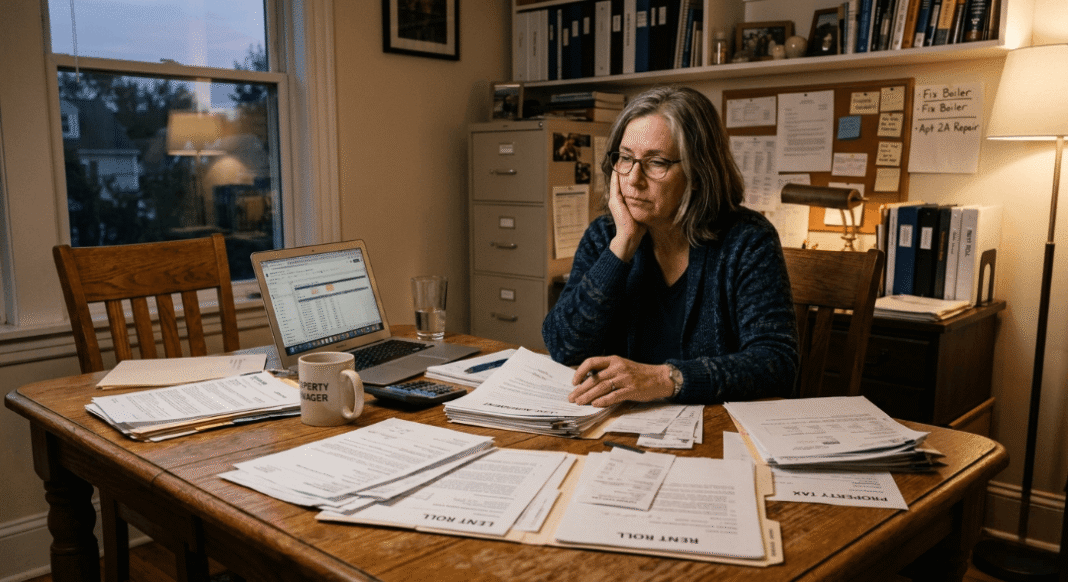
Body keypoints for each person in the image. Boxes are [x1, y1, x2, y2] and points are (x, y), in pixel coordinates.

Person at [541, 86, 798, 407]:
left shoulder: (748, 240)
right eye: (625, 158)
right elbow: (563, 346)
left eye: (656, 162)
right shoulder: (605, 234)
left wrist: (664, 379)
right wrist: (622, 246)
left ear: (698, 171)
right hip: (619, 424)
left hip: (716, 429)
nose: (633, 179)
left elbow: (776, 364)